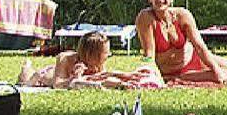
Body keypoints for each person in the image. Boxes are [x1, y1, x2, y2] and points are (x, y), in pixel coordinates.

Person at [135, 0, 227, 85]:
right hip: (177, 73)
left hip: (195, 58)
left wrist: (216, 69)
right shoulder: (146, 18)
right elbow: (149, 55)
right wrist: (153, 75)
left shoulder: (182, 15)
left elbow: (200, 46)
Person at [17, 32, 162, 89]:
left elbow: (100, 76)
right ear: (92, 53)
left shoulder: (96, 63)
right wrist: (75, 77)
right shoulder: (65, 58)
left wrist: (124, 75)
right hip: (42, 77)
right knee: (26, 78)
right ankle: (27, 65)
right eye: (106, 52)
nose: (109, 54)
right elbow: (58, 85)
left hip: (59, 75)